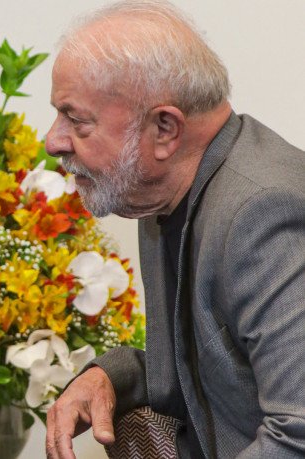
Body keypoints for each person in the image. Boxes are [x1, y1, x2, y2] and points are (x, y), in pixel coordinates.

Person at [42, 0, 305, 458]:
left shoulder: (263, 211)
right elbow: (210, 372)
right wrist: (107, 375)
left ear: (164, 129)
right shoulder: (162, 194)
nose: (52, 140)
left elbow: (297, 432)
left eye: (76, 119)